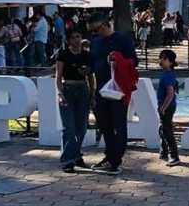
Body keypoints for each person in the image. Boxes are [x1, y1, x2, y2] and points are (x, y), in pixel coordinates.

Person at [88, 12, 138, 175]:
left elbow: (133, 61)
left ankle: (116, 159)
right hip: (101, 88)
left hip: (118, 89)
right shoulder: (95, 43)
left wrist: (118, 60)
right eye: (92, 31)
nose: (95, 34)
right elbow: (91, 62)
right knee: (105, 125)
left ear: (105, 25)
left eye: (96, 30)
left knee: (118, 124)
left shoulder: (122, 40)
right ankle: (109, 156)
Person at [56, 30, 94, 174]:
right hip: (68, 89)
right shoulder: (63, 54)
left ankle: (76, 154)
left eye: (78, 36)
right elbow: (58, 76)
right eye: (73, 37)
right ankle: (67, 160)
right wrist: (60, 94)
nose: (76, 40)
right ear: (69, 40)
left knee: (82, 127)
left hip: (83, 90)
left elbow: (91, 77)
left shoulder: (86, 55)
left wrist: (92, 94)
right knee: (69, 127)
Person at [157, 49, 180, 167]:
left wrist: (163, 107)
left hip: (167, 106)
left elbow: (170, 93)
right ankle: (164, 151)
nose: (161, 60)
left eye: (165, 59)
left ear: (171, 62)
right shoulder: (167, 74)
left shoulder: (167, 75)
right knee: (163, 129)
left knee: (167, 131)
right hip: (166, 106)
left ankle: (174, 156)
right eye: (160, 58)